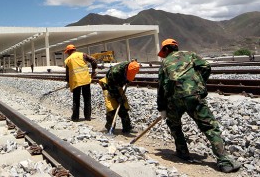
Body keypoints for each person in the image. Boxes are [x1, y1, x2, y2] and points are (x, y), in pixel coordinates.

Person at [156, 38, 241, 173]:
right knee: (209, 127)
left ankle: (182, 152)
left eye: (163, 51)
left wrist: (162, 108)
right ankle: (224, 161)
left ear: (166, 49)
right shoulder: (190, 54)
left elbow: (160, 87)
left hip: (174, 100)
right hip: (194, 97)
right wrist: (199, 83)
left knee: (174, 125)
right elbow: (206, 67)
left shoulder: (165, 63)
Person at [98, 59, 140, 133]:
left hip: (117, 85)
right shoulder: (114, 73)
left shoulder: (132, 66)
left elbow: (127, 78)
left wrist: (127, 81)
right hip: (109, 86)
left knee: (123, 106)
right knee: (111, 108)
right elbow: (112, 88)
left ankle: (127, 128)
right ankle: (110, 128)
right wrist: (118, 98)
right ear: (126, 69)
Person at [63, 44, 98, 122]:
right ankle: (88, 117)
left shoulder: (68, 60)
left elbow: (67, 73)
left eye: (67, 52)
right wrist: (93, 71)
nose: (67, 54)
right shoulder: (82, 55)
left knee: (76, 100)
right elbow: (93, 60)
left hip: (75, 82)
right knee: (87, 99)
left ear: (69, 51)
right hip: (85, 80)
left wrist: (68, 82)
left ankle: (75, 118)